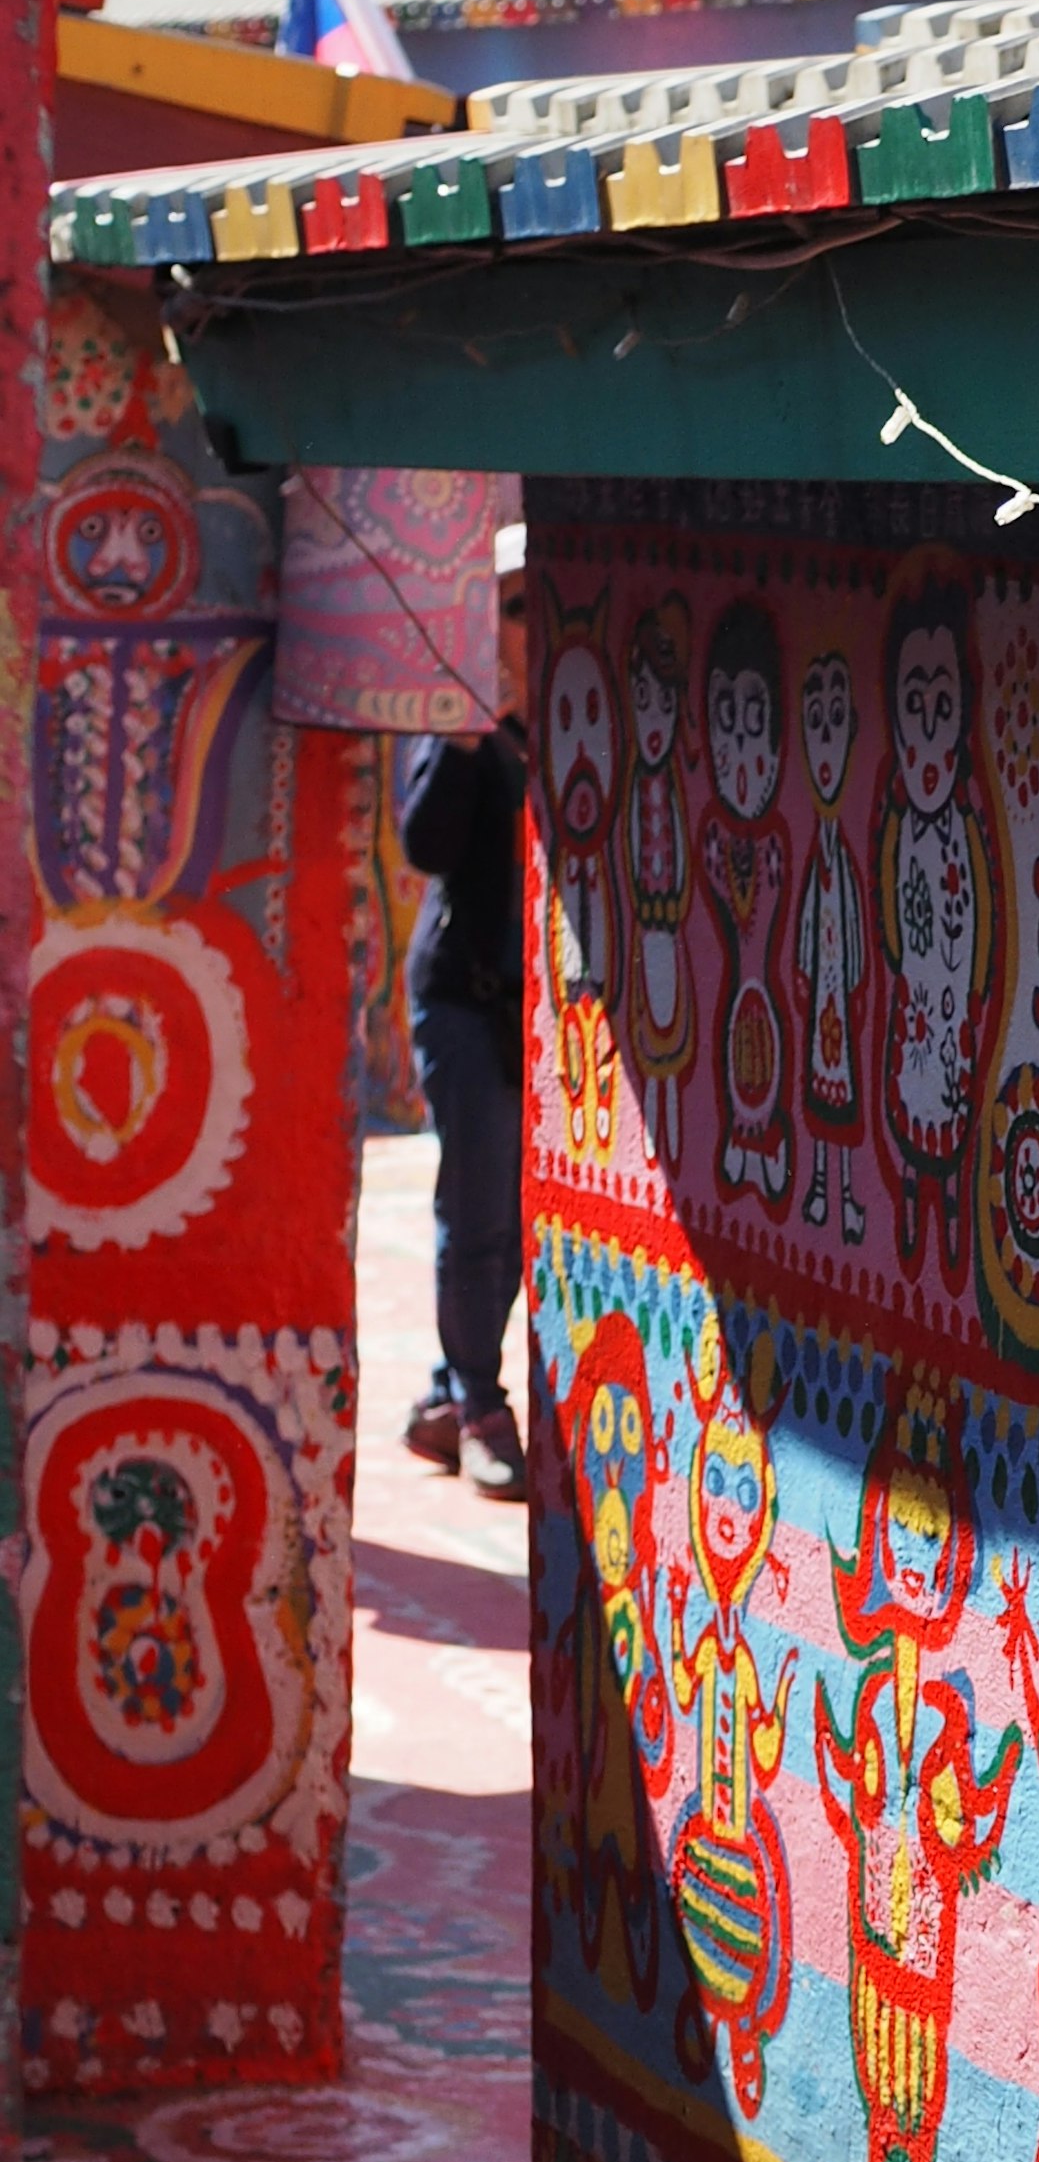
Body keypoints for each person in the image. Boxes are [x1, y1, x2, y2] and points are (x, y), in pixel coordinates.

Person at [402, 608, 534, 1498]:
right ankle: (483, 1407)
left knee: (522, 1215)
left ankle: (452, 1393)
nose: (522, 630)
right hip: (464, 997)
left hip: (539, 1008)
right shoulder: (457, 716)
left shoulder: (561, 713)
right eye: (513, 611)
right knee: (480, 1206)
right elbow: (425, 843)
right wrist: (461, 733)